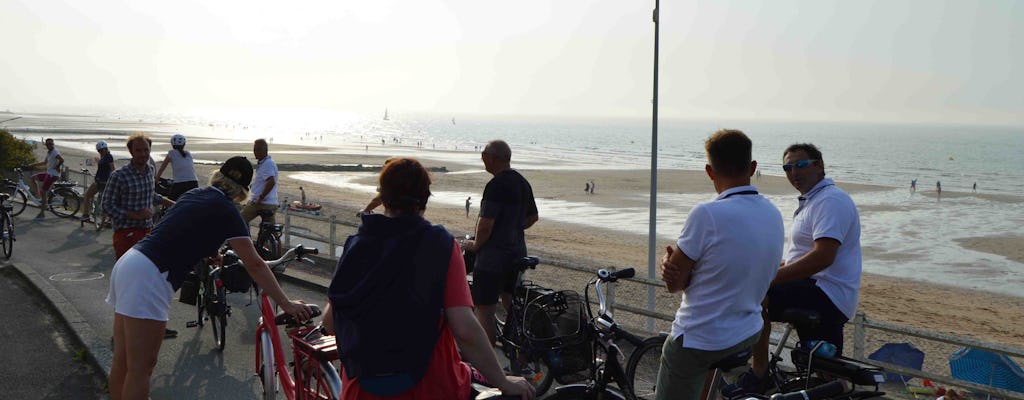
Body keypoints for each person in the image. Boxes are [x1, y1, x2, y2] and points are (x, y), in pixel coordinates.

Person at [323, 158, 534, 400]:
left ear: (384, 198)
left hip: (362, 388)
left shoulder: (356, 244)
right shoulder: (440, 245)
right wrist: (503, 380)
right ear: (424, 199)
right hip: (430, 385)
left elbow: (330, 322)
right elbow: (464, 328)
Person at [105, 156, 313, 400]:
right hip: (150, 275)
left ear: (218, 176)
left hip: (131, 261)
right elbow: (255, 264)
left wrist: (207, 252)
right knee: (141, 368)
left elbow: (184, 232)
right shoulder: (227, 210)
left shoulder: (195, 194)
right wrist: (287, 304)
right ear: (243, 191)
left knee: (122, 359)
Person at [655, 130, 784, 400]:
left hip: (701, 339)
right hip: (747, 334)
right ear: (752, 167)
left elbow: (673, 285)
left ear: (710, 171)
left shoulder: (706, 214)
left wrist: (668, 263)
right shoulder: (773, 214)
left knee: (675, 357)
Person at [732, 143, 862, 395]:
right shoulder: (813, 201)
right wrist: (764, 269)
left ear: (819, 165)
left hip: (827, 293)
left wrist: (769, 278)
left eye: (801, 165)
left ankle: (759, 371)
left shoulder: (830, 201)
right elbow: (799, 258)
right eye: (788, 167)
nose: (794, 172)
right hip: (815, 288)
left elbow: (822, 257)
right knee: (825, 378)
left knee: (756, 294)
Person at [464, 140, 539, 345]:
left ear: (494, 157)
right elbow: (533, 217)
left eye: (483, 154)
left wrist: (476, 245)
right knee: (510, 301)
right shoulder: (522, 182)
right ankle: (521, 353)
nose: (482, 158)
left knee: (485, 308)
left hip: (493, 258)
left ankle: (489, 366)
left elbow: (486, 224)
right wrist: (512, 226)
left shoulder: (496, 185)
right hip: (517, 253)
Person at [103, 134, 175, 260]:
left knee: (146, 274)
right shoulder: (119, 176)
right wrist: (136, 215)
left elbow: (151, 195)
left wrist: (175, 204)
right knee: (128, 276)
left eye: (146, 150)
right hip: (126, 234)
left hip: (147, 232)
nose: (143, 154)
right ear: (131, 152)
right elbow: (106, 206)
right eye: (138, 150)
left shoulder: (150, 170)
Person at [240, 139, 279, 224]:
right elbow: (261, 183)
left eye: (258, 149)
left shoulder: (267, 164)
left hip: (262, 203)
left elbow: (271, 181)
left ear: (265, 150)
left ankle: (243, 237)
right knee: (269, 230)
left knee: (240, 222)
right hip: (269, 202)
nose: (255, 152)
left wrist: (260, 198)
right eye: (254, 149)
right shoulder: (263, 163)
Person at [26, 138, 64, 219]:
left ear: (53, 144)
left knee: (44, 191)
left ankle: (42, 212)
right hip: (49, 173)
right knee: (32, 178)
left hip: (53, 175)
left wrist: (57, 166)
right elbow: (45, 162)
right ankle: (39, 198)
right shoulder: (49, 152)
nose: (49, 145)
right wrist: (33, 165)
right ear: (46, 145)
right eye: (48, 144)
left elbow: (62, 160)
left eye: (51, 144)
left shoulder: (55, 152)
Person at [155, 134, 199, 201]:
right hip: (194, 182)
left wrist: (156, 181)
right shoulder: (188, 153)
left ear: (172, 144)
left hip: (179, 183)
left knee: (170, 202)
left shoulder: (171, 153)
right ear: (184, 144)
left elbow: (161, 169)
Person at [80, 141, 115, 222]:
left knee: (87, 195)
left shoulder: (108, 157)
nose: (101, 152)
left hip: (101, 181)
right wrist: (98, 161)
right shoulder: (104, 157)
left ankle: (86, 215)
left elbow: (112, 169)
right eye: (99, 150)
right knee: (106, 199)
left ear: (106, 149)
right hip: (102, 181)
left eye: (102, 150)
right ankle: (109, 218)